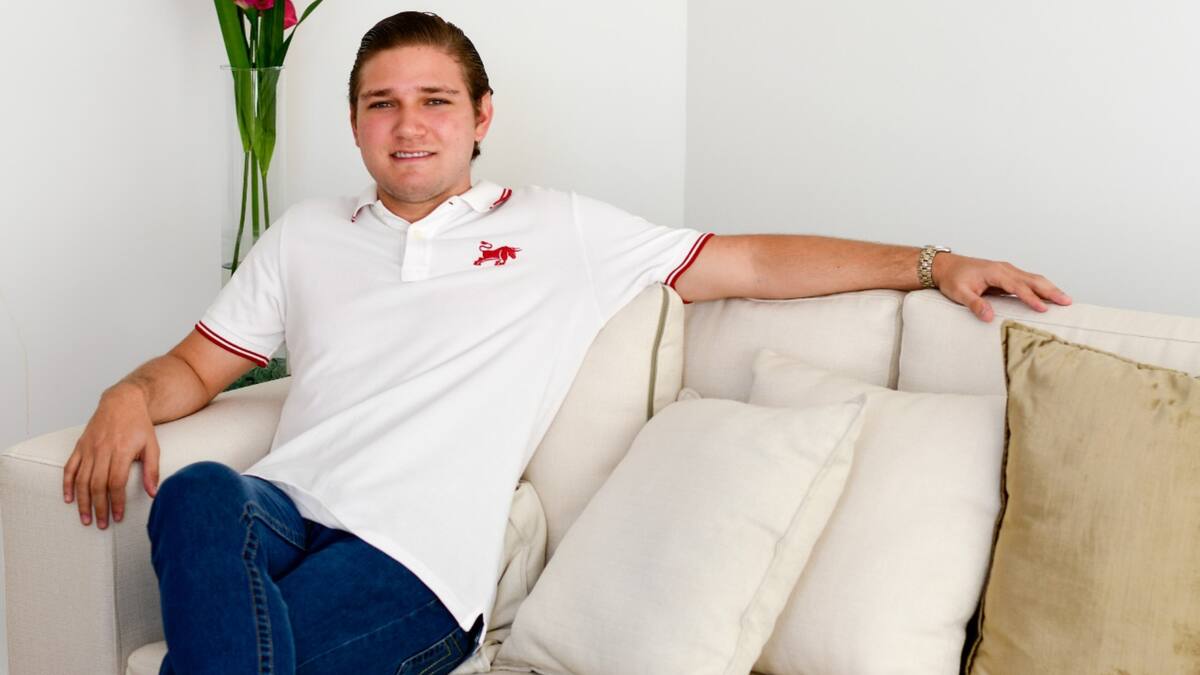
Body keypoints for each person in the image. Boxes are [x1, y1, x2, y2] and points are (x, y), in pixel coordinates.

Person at [61, 10, 1072, 675]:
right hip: (283, 512)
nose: (409, 125)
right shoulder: (307, 235)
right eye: (382, 104)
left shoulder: (561, 229)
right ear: (357, 124)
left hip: (414, 565)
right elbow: (195, 366)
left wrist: (932, 263)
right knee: (197, 491)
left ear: (481, 117)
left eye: (435, 101)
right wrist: (125, 397)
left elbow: (754, 262)